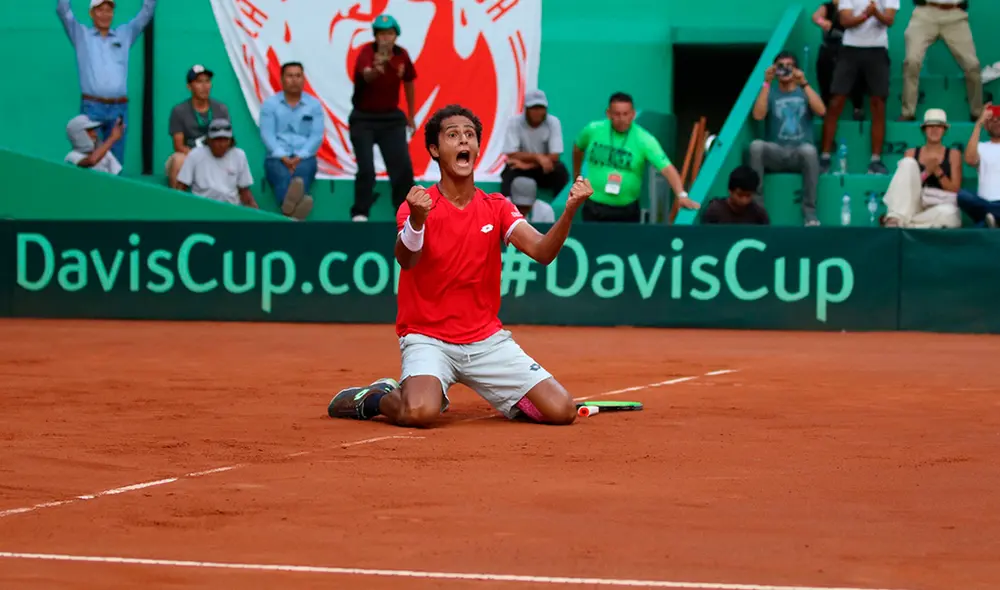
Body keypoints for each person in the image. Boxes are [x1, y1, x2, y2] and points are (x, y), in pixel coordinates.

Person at [327, 104, 595, 427]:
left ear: (478, 148)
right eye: (453, 136)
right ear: (435, 150)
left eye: (470, 135)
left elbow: (542, 251)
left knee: (561, 410)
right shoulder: (418, 205)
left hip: (486, 341)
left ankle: (502, 395)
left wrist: (568, 213)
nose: (464, 141)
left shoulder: (496, 206)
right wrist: (416, 220)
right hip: (428, 338)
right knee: (419, 413)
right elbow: (407, 259)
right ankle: (376, 396)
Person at [57, 0, 157, 169]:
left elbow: (146, 14)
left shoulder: (124, 34)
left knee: (115, 162)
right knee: (90, 159)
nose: (105, 14)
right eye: (100, 10)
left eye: (109, 10)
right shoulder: (81, 35)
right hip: (92, 107)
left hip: (119, 108)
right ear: (92, 13)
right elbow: (63, 11)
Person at [572, 92, 698, 222]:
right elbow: (578, 147)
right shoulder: (593, 130)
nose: (622, 119)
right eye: (617, 114)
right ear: (608, 114)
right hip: (594, 206)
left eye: (626, 114)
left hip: (627, 209)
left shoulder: (644, 139)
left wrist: (681, 195)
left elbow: (666, 167)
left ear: (633, 114)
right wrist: (577, 177)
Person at [348, 14, 418, 222]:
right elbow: (365, 74)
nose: (385, 38)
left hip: (391, 119)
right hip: (363, 119)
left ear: (396, 36)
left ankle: (406, 214)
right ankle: (360, 213)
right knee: (366, 169)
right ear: (375, 36)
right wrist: (377, 69)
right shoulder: (367, 53)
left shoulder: (402, 55)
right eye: (381, 34)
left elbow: (409, 82)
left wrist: (411, 115)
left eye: (389, 33)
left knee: (402, 168)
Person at [819, 0, 900, 175]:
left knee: (878, 103)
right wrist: (867, 14)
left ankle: (876, 161)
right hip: (849, 50)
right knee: (836, 101)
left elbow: (889, 20)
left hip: (878, 50)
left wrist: (876, 13)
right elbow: (845, 22)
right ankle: (824, 156)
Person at [749, 51, 826, 226]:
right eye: (780, 66)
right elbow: (758, 116)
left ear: (796, 69)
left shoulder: (804, 91)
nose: (785, 70)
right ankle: (757, 210)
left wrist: (804, 82)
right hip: (776, 151)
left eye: (789, 66)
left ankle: (810, 213)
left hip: (799, 153)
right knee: (756, 146)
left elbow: (821, 111)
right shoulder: (770, 91)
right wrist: (766, 83)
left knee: (809, 150)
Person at [260, 62, 323, 220]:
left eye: (298, 76)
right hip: (277, 157)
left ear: (303, 79)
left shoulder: (314, 105)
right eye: (290, 76)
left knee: (302, 174)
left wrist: (299, 157)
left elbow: (316, 136)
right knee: (280, 174)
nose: (294, 80)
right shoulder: (270, 105)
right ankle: (293, 213)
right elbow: (267, 134)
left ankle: (287, 211)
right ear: (281, 79)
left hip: (304, 156)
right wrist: (284, 158)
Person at [901, 0, 981, 122]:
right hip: (925, 13)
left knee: (972, 65)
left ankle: (977, 113)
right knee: (912, 61)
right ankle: (907, 113)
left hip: (955, 15)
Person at [882, 108, 962, 228]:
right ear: (924, 130)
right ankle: (897, 217)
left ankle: (906, 224)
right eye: (930, 126)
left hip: (939, 206)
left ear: (944, 130)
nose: (934, 130)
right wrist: (926, 172)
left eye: (939, 127)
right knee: (907, 163)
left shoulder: (953, 154)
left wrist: (937, 172)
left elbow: (956, 190)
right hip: (915, 205)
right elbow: (906, 186)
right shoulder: (911, 153)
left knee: (949, 214)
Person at [165, 65, 231, 189]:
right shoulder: (179, 111)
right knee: (178, 160)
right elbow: (178, 146)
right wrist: (200, 159)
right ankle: (176, 203)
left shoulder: (221, 109)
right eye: (199, 82)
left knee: (236, 157)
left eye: (207, 81)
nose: (204, 86)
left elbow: (227, 141)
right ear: (189, 87)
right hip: (189, 156)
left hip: (216, 155)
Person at [500, 89, 570, 199]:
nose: (537, 112)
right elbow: (511, 153)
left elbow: (555, 156)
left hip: (542, 168)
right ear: (526, 109)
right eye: (533, 108)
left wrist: (529, 165)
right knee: (509, 172)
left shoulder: (553, 122)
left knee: (561, 171)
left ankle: (560, 209)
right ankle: (505, 208)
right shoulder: (514, 122)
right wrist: (538, 157)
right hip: (520, 166)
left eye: (541, 108)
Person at [175, 119, 259, 210]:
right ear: (209, 141)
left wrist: (255, 211)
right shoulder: (195, 154)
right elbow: (181, 188)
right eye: (218, 140)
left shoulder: (239, 155)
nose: (222, 144)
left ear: (231, 141)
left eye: (225, 140)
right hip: (201, 210)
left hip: (231, 211)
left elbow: (244, 191)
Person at [813, 0, 866, 120]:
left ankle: (858, 107)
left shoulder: (855, 8)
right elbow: (815, 17)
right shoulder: (828, 7)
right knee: (824, 68)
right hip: (830, 47)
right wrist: (823, 22)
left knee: (855, 71)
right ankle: (825, 107)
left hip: (850, 47)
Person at [957, 104, 1000, 228]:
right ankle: (994, 217)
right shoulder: (981, 146)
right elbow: (970, 160)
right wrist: (978, 124)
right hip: (983, 202)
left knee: (982, 226)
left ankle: (992, 219)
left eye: (999, 119)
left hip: (986, 212)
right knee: (962, 195)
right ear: (986, 126)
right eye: (992, 120)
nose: (996, 122)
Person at [700, 166, 771, 225]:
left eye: (748, 195)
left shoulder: (759, 214)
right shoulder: (715, 211)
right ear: (730, 191)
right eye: (740, 195)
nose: (744, 200)